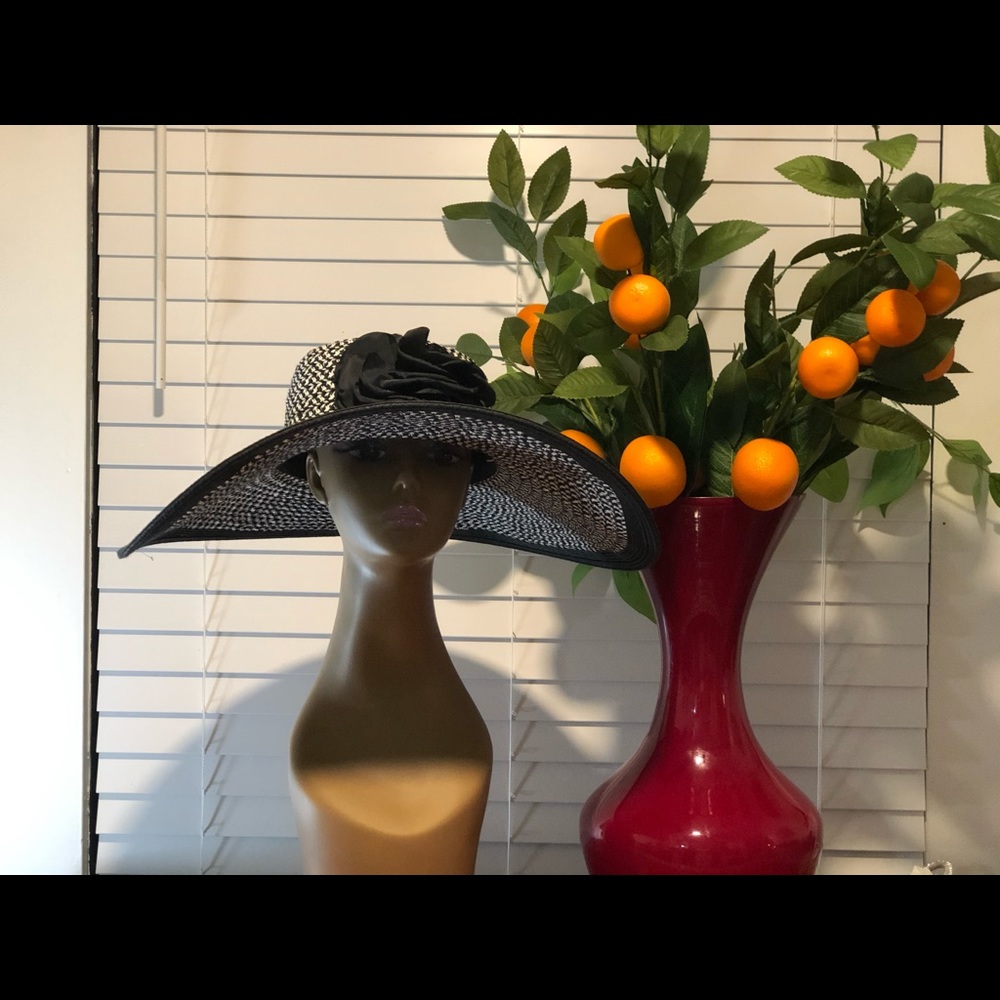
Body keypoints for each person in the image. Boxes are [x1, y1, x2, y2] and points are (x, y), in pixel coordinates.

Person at [119, 327, 658, 874]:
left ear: (471, 476)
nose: (407, 482)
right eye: (369, 452)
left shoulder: (448, 729)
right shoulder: (339, 734)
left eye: (443, 456)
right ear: (316, 476)